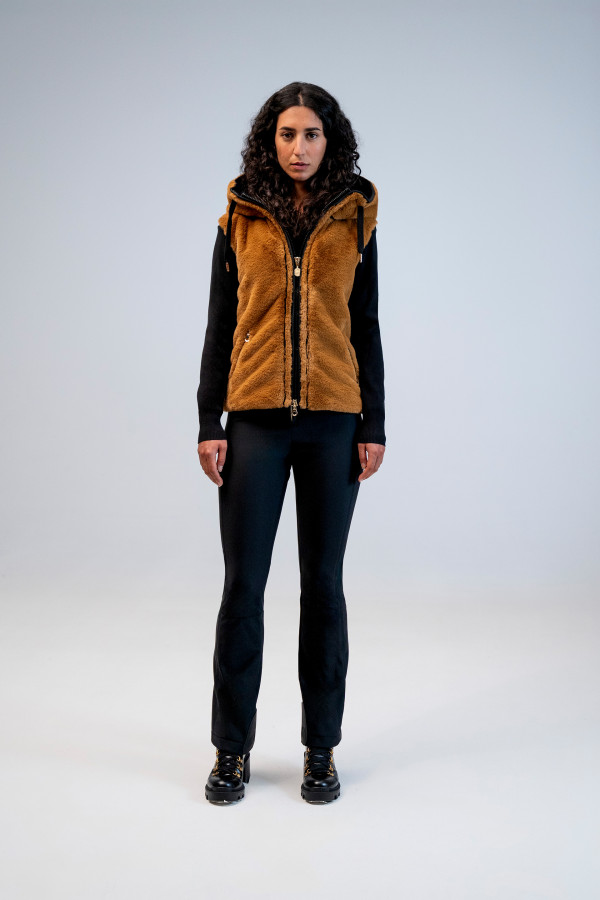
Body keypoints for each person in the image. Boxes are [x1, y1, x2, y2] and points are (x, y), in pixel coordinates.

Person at [196, 81, 386, 804]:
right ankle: (231, 751)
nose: (299, 147)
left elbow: (365, 324)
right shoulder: (240, 217)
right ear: (268, 141)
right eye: (286, 134)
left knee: (323, 588)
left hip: (334, 421)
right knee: (243, 588)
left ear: (329, 141)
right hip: (254, 421)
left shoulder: (356, 216)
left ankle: (320, 750)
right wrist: (209, 421)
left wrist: (373, 424)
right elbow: (220, 324)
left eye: (311, 134)